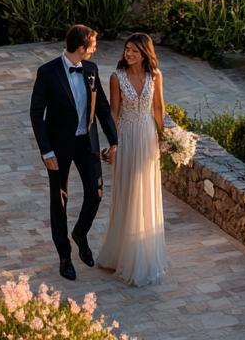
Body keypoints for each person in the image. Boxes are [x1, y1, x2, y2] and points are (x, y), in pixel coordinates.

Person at [30, 24, 118, 281]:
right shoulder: (47, 72)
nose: (95, 50)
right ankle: (65, 257)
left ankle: (80, 232)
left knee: (95, 193)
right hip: (58, 148)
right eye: (92, 46)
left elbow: (102, 107)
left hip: (87, 143)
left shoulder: (91, 69)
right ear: (81, 48)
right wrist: (46, 151)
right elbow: (36, 114)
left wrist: (114, 141)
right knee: (59, 202)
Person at [98, 33, 167, 286]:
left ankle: (144, 254)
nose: (128, 54)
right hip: (126, 137)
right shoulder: (116, 77)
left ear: (144, 53)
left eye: (134, 51)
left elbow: (158, 108)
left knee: (145, 192)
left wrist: (165, 137)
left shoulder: (155, 76)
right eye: (127, 49)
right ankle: (122, 254)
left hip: (147, 137)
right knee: (127, 192)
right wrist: (112, 144)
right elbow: (114, 111)